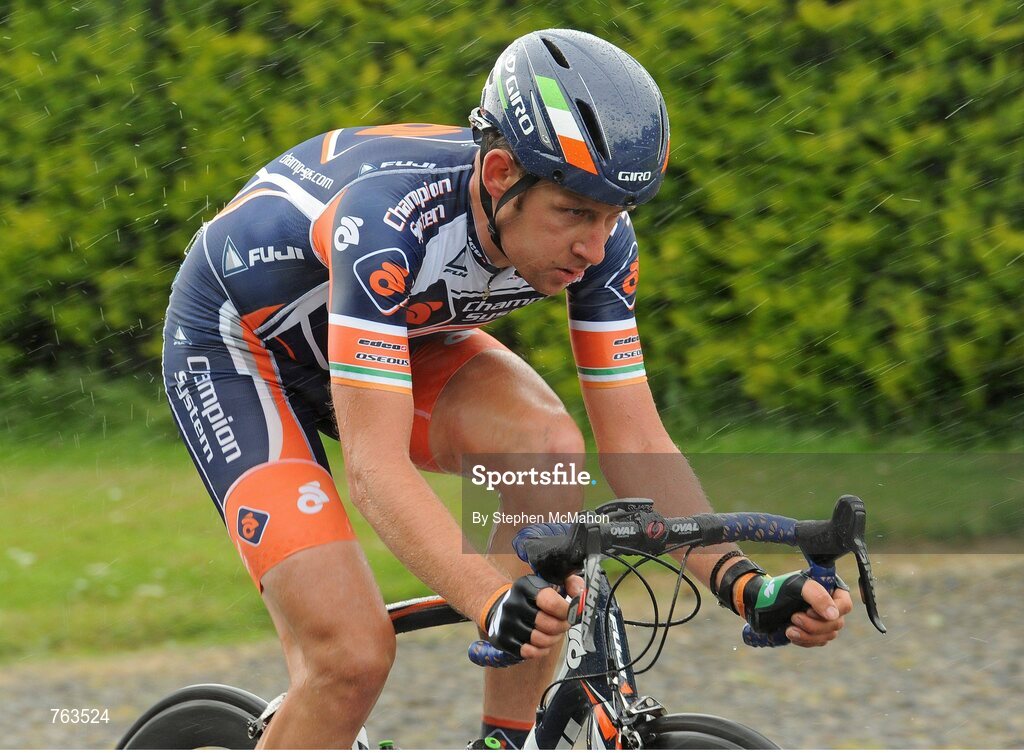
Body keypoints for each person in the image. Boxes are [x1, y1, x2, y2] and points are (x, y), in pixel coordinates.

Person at [163, 28, 852, 750]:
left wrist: (743, 584)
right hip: (240, 352)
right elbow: (375, 469)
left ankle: (505, 741)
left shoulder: (599, 243)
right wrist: (492, 599)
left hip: (393, 337)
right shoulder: (387, 222)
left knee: (545, 447)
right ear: (499, 175)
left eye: (615, 215)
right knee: (349, 659)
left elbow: (637, 442)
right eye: (575, 212)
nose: (595, 245)